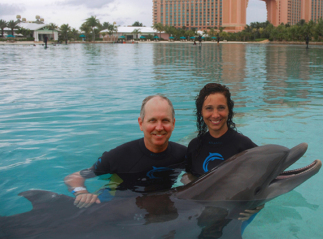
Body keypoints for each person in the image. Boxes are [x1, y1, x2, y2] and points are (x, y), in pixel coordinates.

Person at [64, 95, 186, 208]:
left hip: (154, 206)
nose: (159, 127)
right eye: (152, 120)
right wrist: (81, 193)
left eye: (165, 120)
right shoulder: (119, 156)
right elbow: (73, 177)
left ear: (173, 124)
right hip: (113, 205)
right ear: (141, 123)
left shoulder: (182, 154)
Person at [183, 83, 263, 232]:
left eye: (221, 107)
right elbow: (189, 179)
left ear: (228, 110)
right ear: (201, 111)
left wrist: (259, 204)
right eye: (209, 108)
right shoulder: (194, 146)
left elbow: (266, 175)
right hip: (204, 211)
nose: (215, 115)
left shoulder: (243, 145)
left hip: (238, 212)